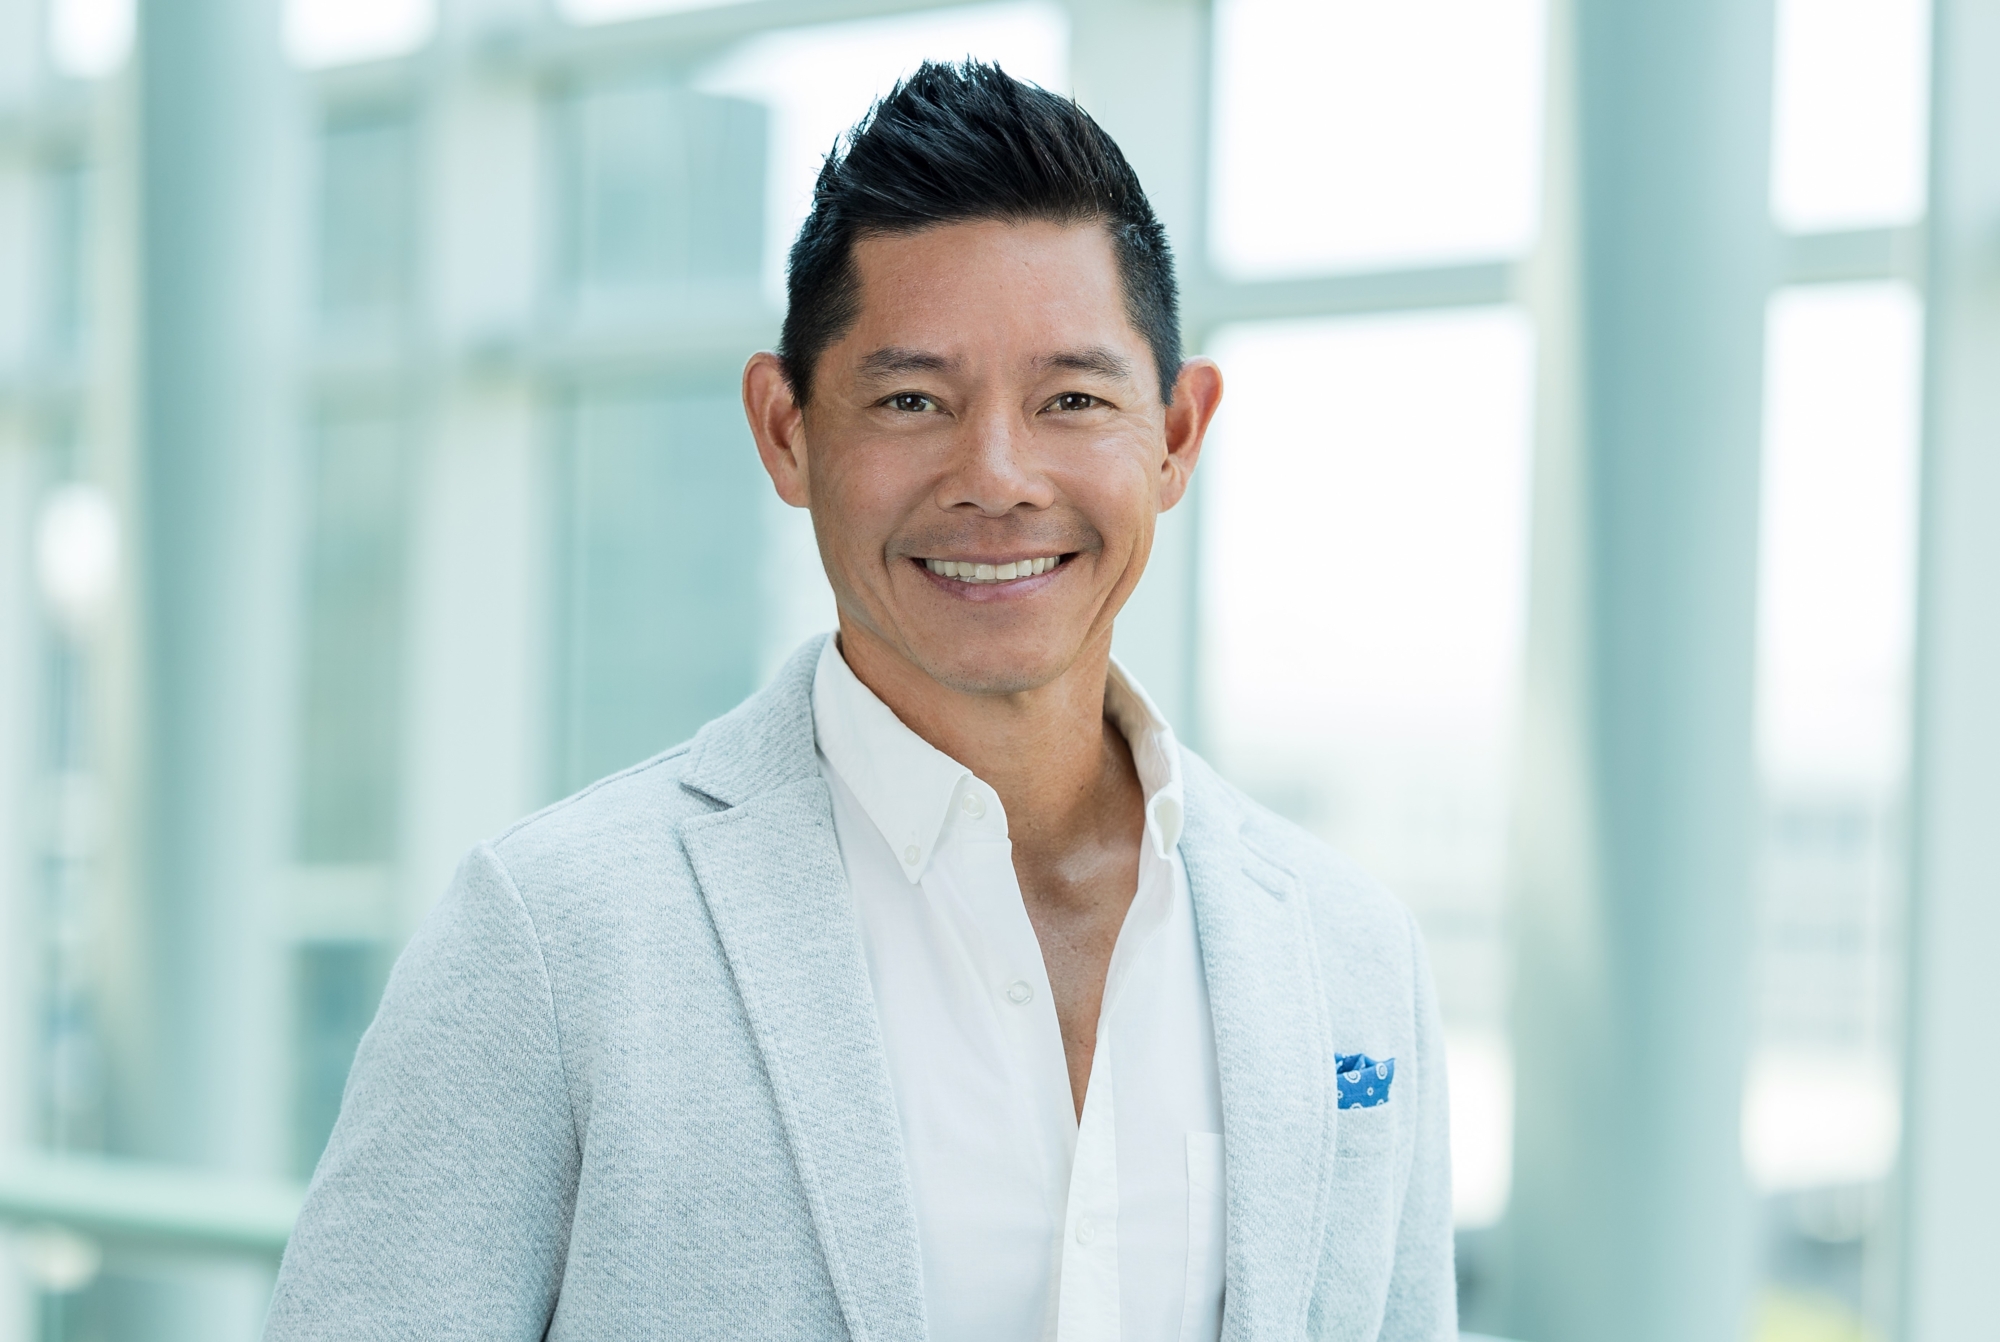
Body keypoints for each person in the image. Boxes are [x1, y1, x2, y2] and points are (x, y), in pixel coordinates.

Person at [264, 60, 1454, 1342]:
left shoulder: (1348, 955)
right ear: (785, 429)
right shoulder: (553, 942)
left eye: (1071, 399)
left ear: (1174, 433)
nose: (995, 476)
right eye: (910, 401)